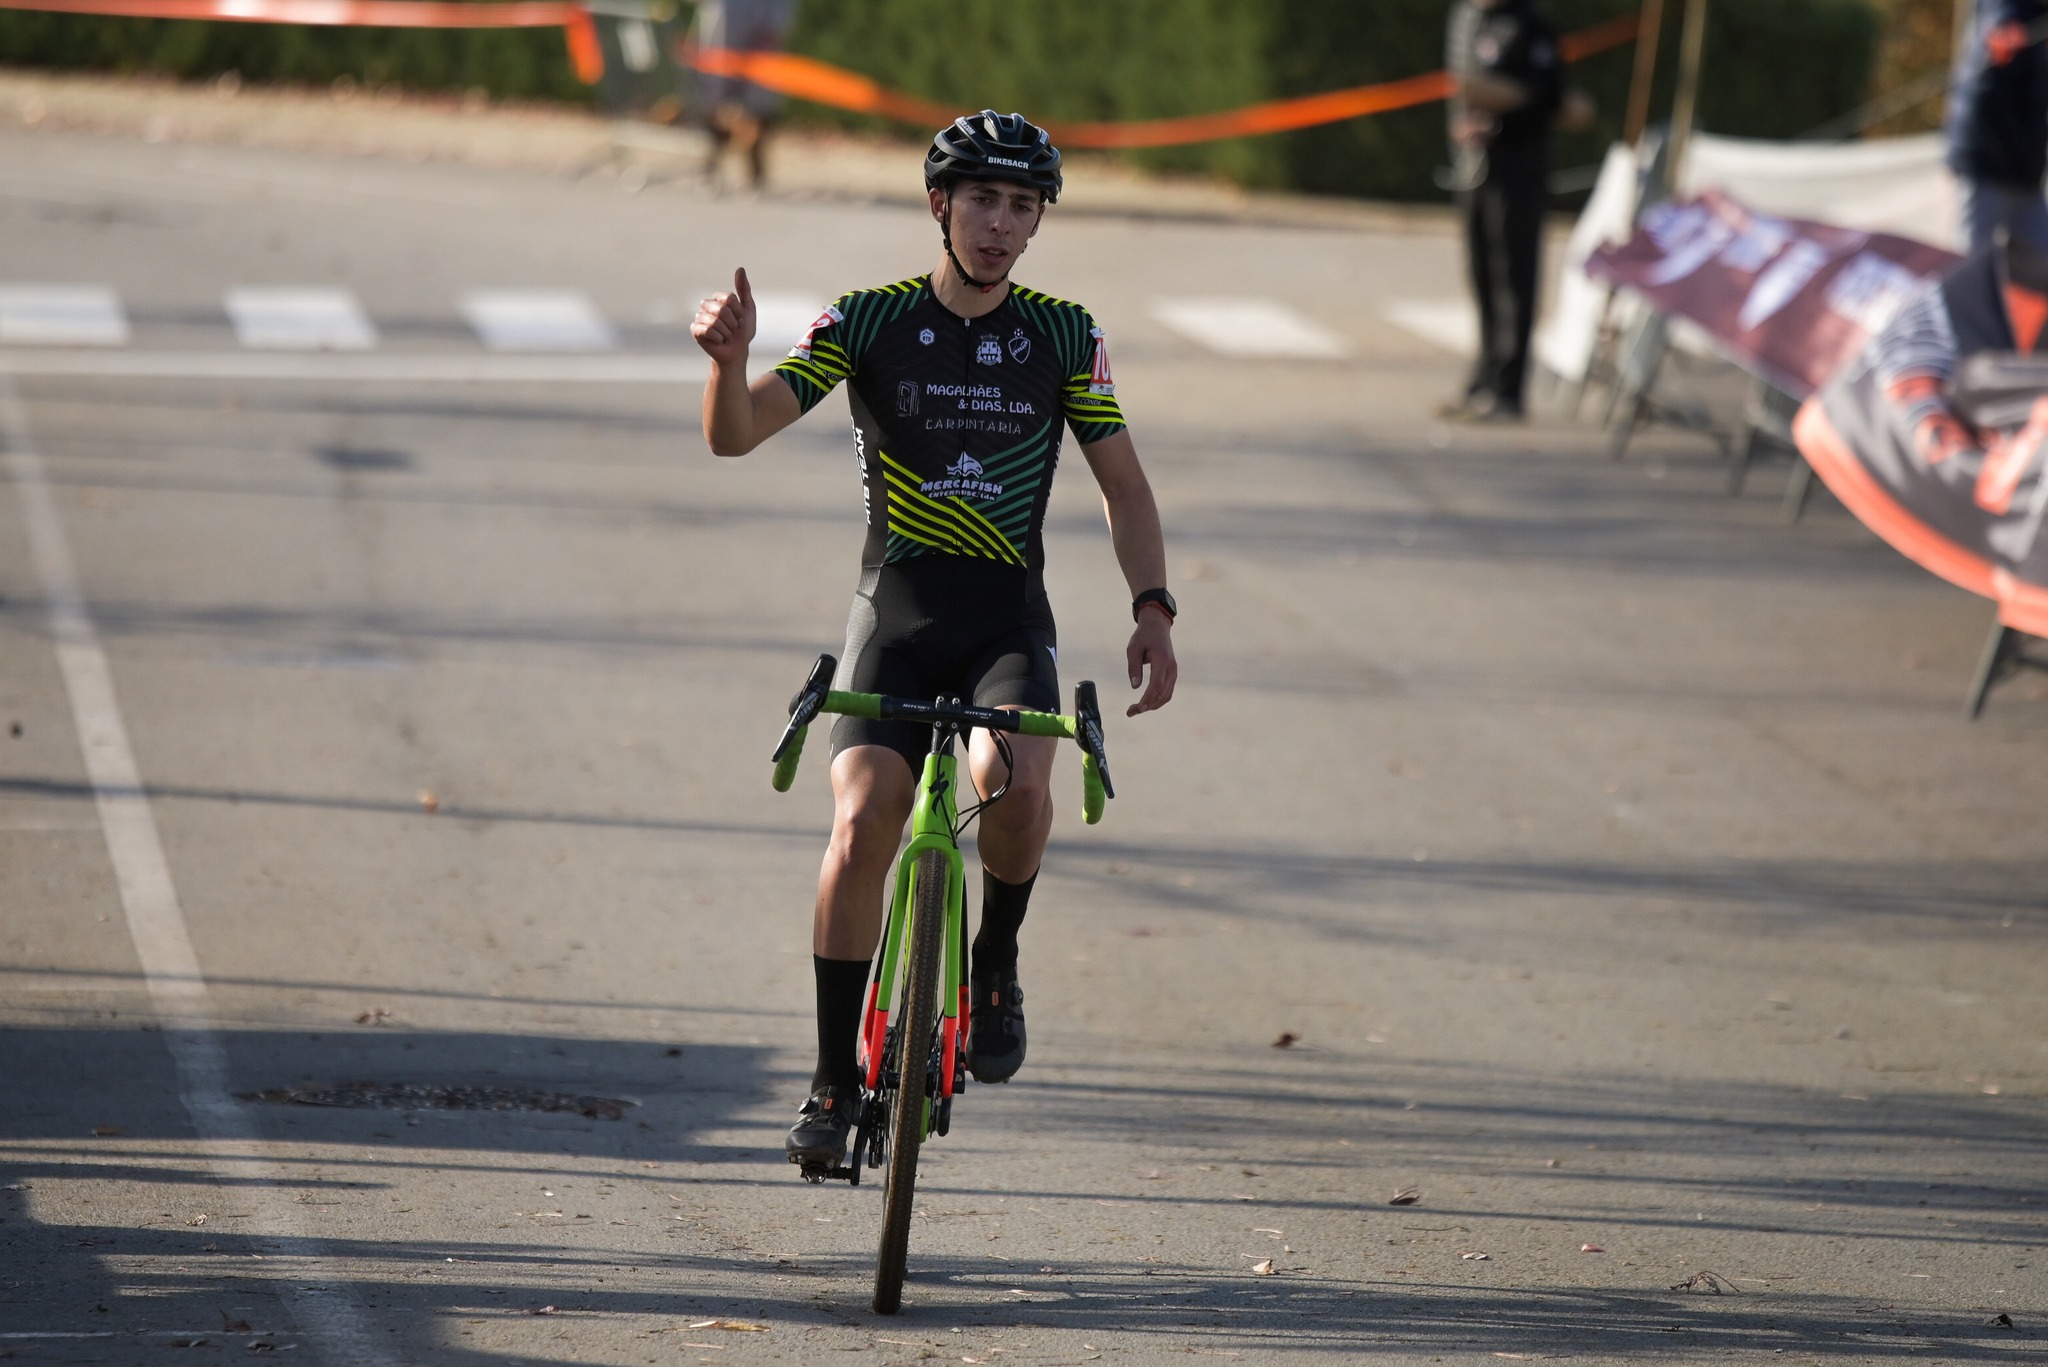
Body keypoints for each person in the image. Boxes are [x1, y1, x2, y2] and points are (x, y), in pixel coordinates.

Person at [690, 111, 1179, 1173]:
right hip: (895, 619)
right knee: (863, 820)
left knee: (1015, 786)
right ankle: (829, 1077)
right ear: (938, 205)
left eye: (1021, 205)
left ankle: (993, 961)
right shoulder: (864, 321)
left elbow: (1125, 487)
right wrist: (727, 365)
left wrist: (1152, 607)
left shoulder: (1062, 335)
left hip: (1005, 622)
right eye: (982, 201)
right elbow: (736, 432)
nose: (1000, 225)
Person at [1440, 0, 1583, 422]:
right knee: (1482, 274)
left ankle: (1508, 390)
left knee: (1514, 278)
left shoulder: (1532, 25)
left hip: (1518, 168)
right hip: (1474, 167)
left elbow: (1551, 98)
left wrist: (1500, 117)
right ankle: (1483, 377)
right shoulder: (1467, 17)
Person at [1946, 0, 2048, 254]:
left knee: (2040, 264)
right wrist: (2005, 30)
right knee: (1974, 265)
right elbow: (1985, 95)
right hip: (1988, 168)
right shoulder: (2005, 13)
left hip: (2024, 174)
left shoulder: (2035, 16)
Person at [692, 0, 800, 191]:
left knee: (758, 107)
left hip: (759, 50)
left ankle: (756, 174)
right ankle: (711, 167)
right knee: (718, 105)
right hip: (725, 44)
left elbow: (776, 25)